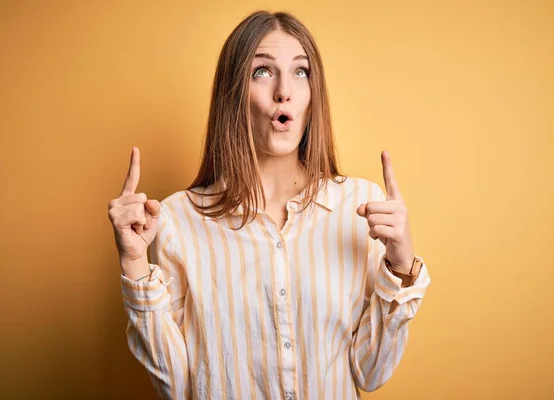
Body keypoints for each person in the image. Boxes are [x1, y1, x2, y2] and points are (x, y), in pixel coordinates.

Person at [108, 10, 430, 400]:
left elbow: (371, 372)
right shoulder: (178, 218)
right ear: (233, 94)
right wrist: (134, 265)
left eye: (300, 72)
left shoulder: (361, 206)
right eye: (262, 71)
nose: (284, 91)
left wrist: (400, 264)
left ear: (314, 95)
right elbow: (175, 386)